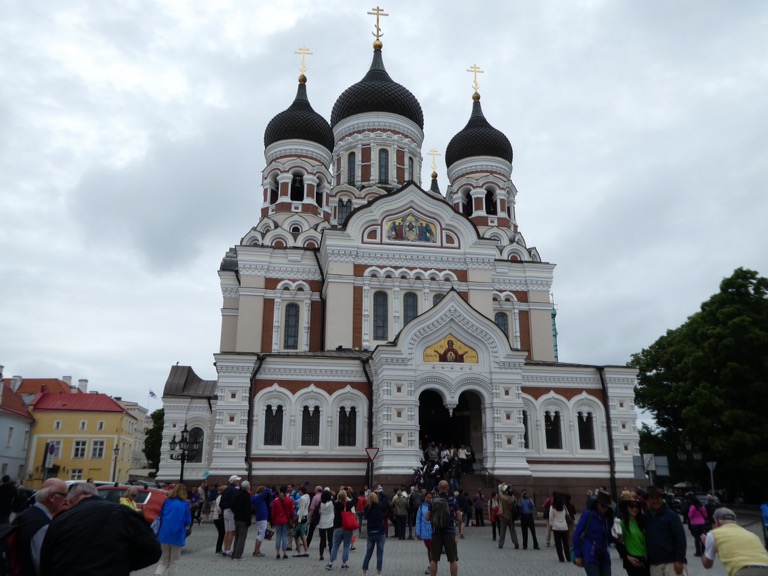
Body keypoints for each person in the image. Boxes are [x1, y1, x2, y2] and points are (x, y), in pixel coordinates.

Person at [39, 481, 160, 576]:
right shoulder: (123, 513)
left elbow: (45, 563)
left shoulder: (60, 520)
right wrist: (122, 564)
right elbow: (153, 551)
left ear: (71, 501)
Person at [10, 478, 67, 576]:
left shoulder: (27, 514)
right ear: (52, 496)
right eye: (64, 495)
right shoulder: (42, 524)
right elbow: (41, 564)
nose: (66, 500)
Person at [701, 507, 768, 576]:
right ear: (735, 522)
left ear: (717, 522)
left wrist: (707, 545)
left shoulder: (713, 534)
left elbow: (707, 564)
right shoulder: (752, 535)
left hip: (744, 571)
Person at [644, 486, 687, 576]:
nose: (655, 501)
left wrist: (679, 559)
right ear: (648, 500)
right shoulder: (646, 517)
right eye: (652, 498)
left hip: (672, 562)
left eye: (658, 498)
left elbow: (680, 538)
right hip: (654, 563)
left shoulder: (671, 516)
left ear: (662, 499)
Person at [573, 490, 615, 576]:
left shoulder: (607, 518)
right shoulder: (588, 514)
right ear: (597, 504)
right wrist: (578, 555)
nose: (605, 508)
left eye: (607, 506)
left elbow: (609, 538)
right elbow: (576, 534)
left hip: (604, 555)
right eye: (603, 505)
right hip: (590, 554)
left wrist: (617, 535)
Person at [153, 483, 192, 575]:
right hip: (177, 535)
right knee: (173, 562)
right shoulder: (184, 505)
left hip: (164, 533)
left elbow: (161, 515)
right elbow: (188, 521)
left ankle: (157, 574)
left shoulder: (166, 502)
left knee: (164, 560)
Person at [426, 479, 461, 576]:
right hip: (449, 532)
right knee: (452, 559)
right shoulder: (452, 500)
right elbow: (459, 517)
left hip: (436, 532)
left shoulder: (433, 500)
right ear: (448, 488)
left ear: (439, 488)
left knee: (434, 559)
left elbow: (427, 517)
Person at [614, 492, 649, 576]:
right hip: (633, 560)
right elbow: (618, 543)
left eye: (637, 506)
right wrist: (627, 557)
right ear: (626, 507)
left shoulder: (642, 522)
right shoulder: (622, 524)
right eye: (631, 506)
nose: (634, 508)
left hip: (645, 559)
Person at [326, 488, 355, 571]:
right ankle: (344, 564)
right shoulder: (349, 504)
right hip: (347, 527)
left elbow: (333, 498)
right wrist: (351, 492)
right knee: (346, 546)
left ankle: (330, 563)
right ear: (346, 496)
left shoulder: (336, 504)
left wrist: (339, 491)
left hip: (338, 526)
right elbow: (356, 499)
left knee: (335, 545)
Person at [362, 490, 389, 576]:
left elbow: (365, 516)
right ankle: (379, 572)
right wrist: (380, 492)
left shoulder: (367, 508)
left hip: (371, 533)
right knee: (380, 553)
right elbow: (386, 499)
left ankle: (364, 571)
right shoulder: (380, 506)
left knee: (368, 553)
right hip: (380, 532)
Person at [218, 475, 241, 557]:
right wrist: (235, 511)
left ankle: (225, 548)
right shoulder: (234, 490)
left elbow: (221, 503)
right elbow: (234, 502)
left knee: (227, 531)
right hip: (231, 511)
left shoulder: (226, 489)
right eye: (237, 481)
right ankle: (228, 549)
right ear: (233, 481)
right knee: (231, 531)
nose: (238, 482)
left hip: (225, 511)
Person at [271, 485, 294, 560]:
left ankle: (278, 552)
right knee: (284, 536)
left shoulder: (276, 500)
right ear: (286, 491)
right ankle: (284, 553)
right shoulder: (289, 500)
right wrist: (292, 519)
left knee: (278, 536)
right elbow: (291, 512)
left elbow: (273, 512)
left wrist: (273, 521)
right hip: (285, 520)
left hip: (278, 520)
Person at [231, 480, 252, 560]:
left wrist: (236, 513)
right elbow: (248, 510)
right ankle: (238, 555)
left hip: (236, 518)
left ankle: (234, 553)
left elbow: (232, 505)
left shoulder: (237, 494)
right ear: (248, 487)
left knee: (237, 537)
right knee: (242, 538)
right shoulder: (247, 496)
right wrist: (248, 521)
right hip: (243, 520)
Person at [549, 493, 571, 563]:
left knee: (558, 544)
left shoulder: (552, 507)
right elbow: (567, 514)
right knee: (566, 544)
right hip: (564, 527)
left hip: (556, 527)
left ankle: (561, 558)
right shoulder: (564, 506)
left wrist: (551, 525)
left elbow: (551, 518)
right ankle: (568, 557)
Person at [250, 485, 271, 557]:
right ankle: (256, 551)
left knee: (260, 533)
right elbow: (268, 490)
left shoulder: (254, 497)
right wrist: (267, 488)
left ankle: (257, 550)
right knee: (261, 534)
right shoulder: (260, 497)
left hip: (259, 517)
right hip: (262, 518)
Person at [416, 491, 434, 575]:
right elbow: (418, 520)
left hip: (433, 531)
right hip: (424, 531)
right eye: (427, 497)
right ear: (425, 497)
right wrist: (418, 532)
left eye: (430, 498)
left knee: (431, 549)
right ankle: (431, 564)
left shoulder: (434, 506)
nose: (429, 499)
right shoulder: (421, 507)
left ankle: (432, 565)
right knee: (429, 549)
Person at [685, 492, 708, 557]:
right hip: (702, 522)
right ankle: (704, 551)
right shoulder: (701, 506)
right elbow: (705, 514)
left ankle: (698, 552)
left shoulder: (692, 507)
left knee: (697, 538)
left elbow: (690, 515)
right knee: (703, 537)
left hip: (694, 523)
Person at [497, 485, 520, 550]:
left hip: (504, 516)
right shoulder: (513, 499)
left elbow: (500, 494)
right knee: (512, 531)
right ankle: (516, 543)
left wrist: (500, 488)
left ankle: (500, 544)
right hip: (511, 517)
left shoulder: (504, 498)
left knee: (502, 531)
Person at [317, 488, 335, 561]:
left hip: (322, 522)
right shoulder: (332, 503)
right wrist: (333, 493)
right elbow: (336, 497)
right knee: (330, 540)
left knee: (322, 540)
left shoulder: (320, 504)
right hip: (330, 522)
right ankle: (331, 554)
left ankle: (321, 555)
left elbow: (318, 512)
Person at [292, 485, 310, 557]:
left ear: (301, 491)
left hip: (301, 517)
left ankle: (298, 551)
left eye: (299, 491)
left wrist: (298, 520)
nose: (298, 493)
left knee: (296, 535)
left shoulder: (302, 499)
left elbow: (301, 510)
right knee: (302, 535)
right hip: (305, 516)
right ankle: (306, 550)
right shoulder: (307, 497)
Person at [212, 485, 226, 555]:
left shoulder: (219, 497)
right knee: (221, 533)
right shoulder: (220, 498)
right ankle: (218, 549)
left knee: (222, 533)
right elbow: (219, 508)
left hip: (217, 517)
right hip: (218, 517)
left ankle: (219, 548)